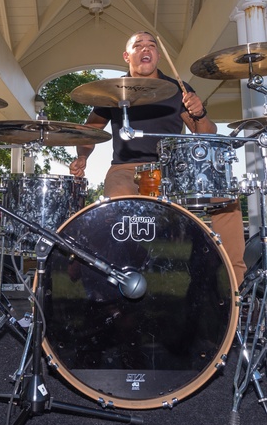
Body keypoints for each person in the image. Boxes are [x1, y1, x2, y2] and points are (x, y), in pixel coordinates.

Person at [70, 31, 246, 286]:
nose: (145, 49)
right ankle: (119, 278)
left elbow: (207, 134)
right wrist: (82, 157)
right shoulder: (111, 91)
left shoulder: (178, 89)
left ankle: (236, 286)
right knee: (116, 206)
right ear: (126, 56)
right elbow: (90, 132)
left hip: (174, 168)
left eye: (151, 45)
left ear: (158, 55)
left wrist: (199, 112)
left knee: (227, 200)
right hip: (126, 168)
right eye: (138, 45)